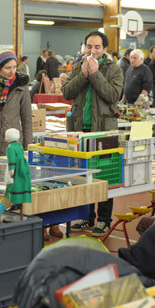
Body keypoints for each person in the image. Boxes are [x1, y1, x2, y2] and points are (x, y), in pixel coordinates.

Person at [62, 31, 125, 236]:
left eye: (97, 47)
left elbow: (113, 95)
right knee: (82, 175)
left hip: (104, 130)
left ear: (105, 49)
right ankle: (86, 217)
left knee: (104, 175)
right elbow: (66, 92)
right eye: (89, 46)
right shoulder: (77, 66)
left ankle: (104, 219)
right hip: (79, 129)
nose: (92, 50)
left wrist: (95, 74)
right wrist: (84, 74)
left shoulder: (114, 69)